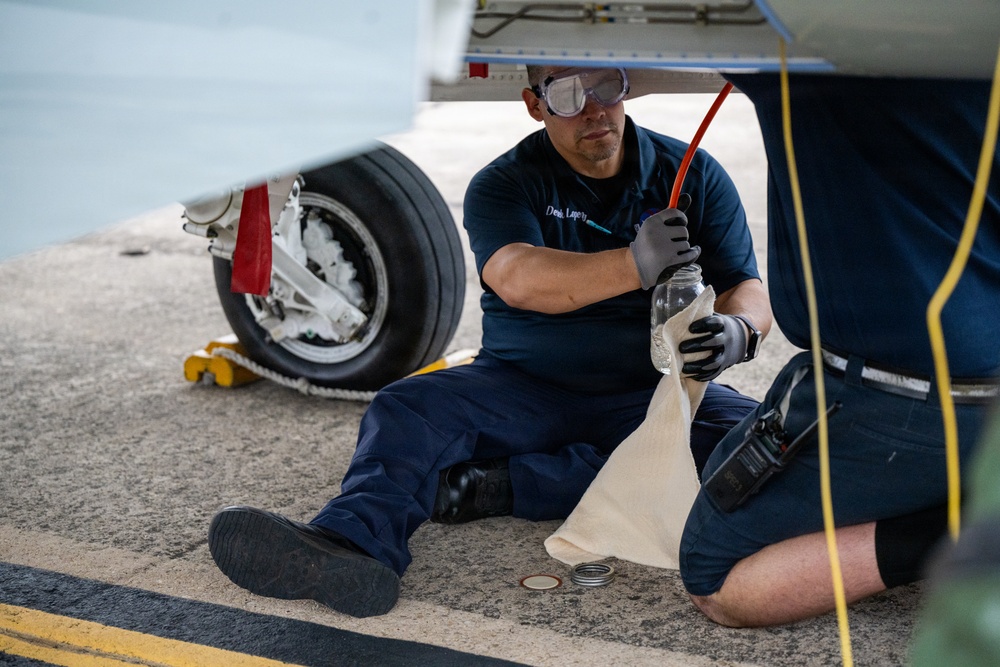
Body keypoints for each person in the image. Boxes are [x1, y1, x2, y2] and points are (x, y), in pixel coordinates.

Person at [208, 65, 772, 618]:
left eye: (606, 86)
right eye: (568, 95)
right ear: (534, 105)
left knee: (772, 441)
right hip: (522, 385)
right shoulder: (505, 181)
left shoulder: (691, 173)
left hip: (650, 392)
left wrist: (739, 331)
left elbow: (747, 285)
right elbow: (516, 278)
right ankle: (350, 544)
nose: (594, 108)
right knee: (407, 408)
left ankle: (509, 486)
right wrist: (631, 263)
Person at [679, 72, 1000, 627]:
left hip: (904, 396)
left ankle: (962, 536)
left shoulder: (812, 57)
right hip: (970, 373)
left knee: (714, 572)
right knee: (728, 447)